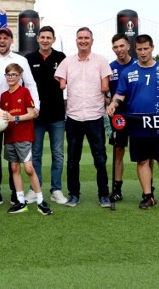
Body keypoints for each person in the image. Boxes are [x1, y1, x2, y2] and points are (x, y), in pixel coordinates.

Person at [107, 34, 159, 209]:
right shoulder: (128, 72)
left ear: (152, 48)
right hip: (137, 123)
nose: (143, 52)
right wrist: (113, 104)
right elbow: (120, 93)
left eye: (146, 49)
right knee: (142, 160)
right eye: (139, 49)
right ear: (135, 49)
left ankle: (156, 173)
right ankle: (148, 195)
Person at [55, 27, 111, 208]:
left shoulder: (101, 60)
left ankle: (104, 194)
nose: (83, 41)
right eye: (80, 38)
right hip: (74, 116)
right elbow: (61, 85)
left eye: (86, 38)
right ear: (76, 40)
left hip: (95, 116)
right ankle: (74, 194)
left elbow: (105, 87)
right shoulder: (67, 62)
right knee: (73, 159)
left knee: (100, 158)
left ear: (92, 40)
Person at [0, 27, 40, 207]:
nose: (2, 41)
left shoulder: (20, 60)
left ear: (11, 40)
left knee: (13, 157)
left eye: (5, 38)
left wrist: (35, 106)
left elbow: (30, 84)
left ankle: (16, 194)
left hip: (14, 114)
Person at [0, 63, 53, 215]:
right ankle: (21, 201)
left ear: (20, 76)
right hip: (9, 136)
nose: (11, 77)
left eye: (14, 75)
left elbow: (31, 114)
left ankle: (41, 201)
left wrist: (14, 117)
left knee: (29, 168)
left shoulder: (24, 92)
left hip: (23, 136)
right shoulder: (3, 96)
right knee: (14, 168)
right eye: (8, 75)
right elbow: (2, 117)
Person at [25, 25, 67, 205]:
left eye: (48, 37)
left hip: (57, 114)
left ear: (53, 39)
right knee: (36, 153)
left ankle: (56, 189)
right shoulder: (29, 58)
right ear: (38, 39)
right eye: (42, 37)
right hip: (36, 115)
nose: (45, 40)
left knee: (58, 154)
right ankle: (36, 188)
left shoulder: (61, 57)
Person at [107, 33, 137, 202]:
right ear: (113, 49)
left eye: (122, 46)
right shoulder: (110, 68)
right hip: (119, 116)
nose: (119, 50)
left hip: (138, 115)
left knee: (145, 152)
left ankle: (149, 190)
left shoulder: (138, 64)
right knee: (118, 151)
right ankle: (117, 189)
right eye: (116, 47)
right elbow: (106, 93)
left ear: (128, 46)